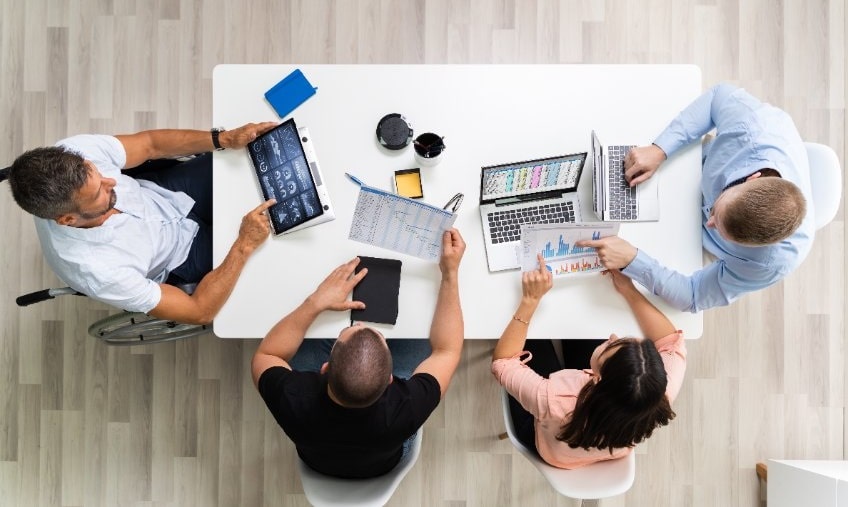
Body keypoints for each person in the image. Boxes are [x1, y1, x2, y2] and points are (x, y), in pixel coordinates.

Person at [8, 123, 277, 324]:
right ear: (68, 219)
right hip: (182, 255)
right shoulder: (98, 270)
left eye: (99, 174)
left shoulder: (74, 152)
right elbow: (199, 311)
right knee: (277, 246)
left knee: (255, 159)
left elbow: (150, 144)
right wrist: (243, 245)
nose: (112, 181)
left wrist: (224, 138)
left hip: (167, 193)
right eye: (99, 193)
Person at [578, 83, 814, 312]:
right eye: (716, 212)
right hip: (685, 170)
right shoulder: (755, 126)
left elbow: (694, 295)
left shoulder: (772, 263)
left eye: (720, 231)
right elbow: (716, 97)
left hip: (686, 244)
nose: (708, 222)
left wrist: (633, 260)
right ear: (753, 178)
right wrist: (660, 149)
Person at [251, 229, 466, 479]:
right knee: (422, 340)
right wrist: (450, 273)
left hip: (319, 458)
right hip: (383, 458)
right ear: (390, 379)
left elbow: (266, 354)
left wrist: (316, 302)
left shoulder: (294, 399)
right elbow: (447, 351)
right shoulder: (407, 408)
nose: (361, 325)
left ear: (324, 368)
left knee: (307, 335)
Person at [491, 255, 686, 469]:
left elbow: (503, 363)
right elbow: (671, 342)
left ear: (598, 378)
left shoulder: (552, 400)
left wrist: (530, 301)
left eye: (611, 346)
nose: (612, 336)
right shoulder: (658, 392)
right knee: (585, 325)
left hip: (546, 438)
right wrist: (628, 289)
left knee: (533, 336)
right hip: (601, 431)